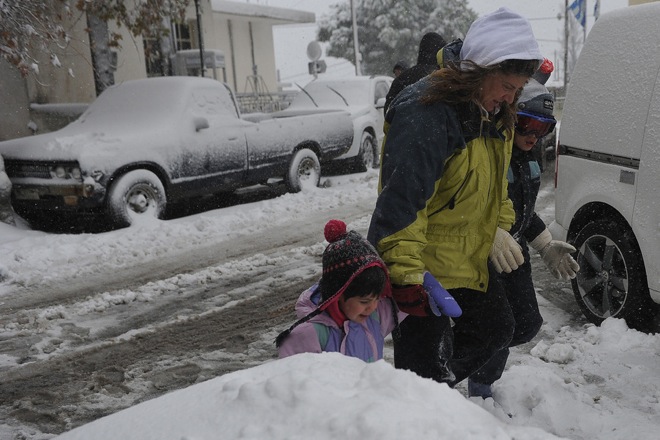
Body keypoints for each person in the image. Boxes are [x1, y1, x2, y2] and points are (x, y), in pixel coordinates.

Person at [367, 7, 543, 387]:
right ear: (479, 70)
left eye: (517, 89)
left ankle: (436, 395)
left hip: (467, 253)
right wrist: (405, 277)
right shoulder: (427, 112)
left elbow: (498, 187)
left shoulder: (496, 113)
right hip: (422, 266)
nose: (510, 98)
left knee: (496, 329)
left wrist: (499, 227)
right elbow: (401, 204)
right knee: (422, 373)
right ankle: (416, 408)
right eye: (506, 86)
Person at [467, 59, 580, 399]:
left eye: (543, 128)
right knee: (499, 327)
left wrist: (546, 245)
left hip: (514, 253)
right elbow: (469, 206)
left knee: (527, 323)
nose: (533, 136)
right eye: (527, 125)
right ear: (510, 117)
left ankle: (479, 361)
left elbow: (525, 212)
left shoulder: (532, 159)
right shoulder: (492, 154)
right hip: (486, 255)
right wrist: (489, 233)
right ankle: (476, 383)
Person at [275, 219, 400, 362]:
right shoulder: (311, 334)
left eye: (377, 298)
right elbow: (290, 377)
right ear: (338, 294)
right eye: (364, 301)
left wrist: (425, 281)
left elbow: (407, 300)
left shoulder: (374, 317)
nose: (372, 307)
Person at [384, 32, 447, 113]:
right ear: (440, 52)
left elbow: (388, 112)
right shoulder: (445, 80)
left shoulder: (401, 80)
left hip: (404, 124)